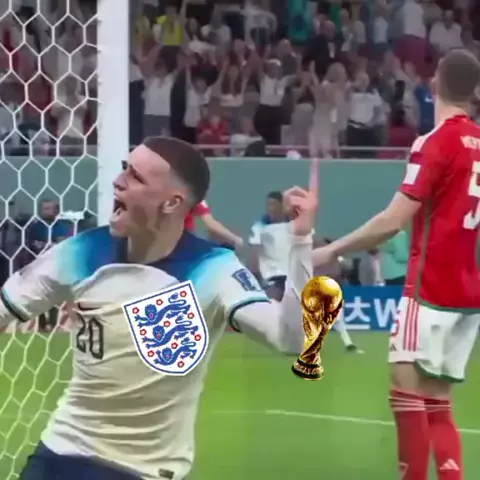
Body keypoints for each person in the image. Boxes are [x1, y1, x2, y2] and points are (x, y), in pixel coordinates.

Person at [1, 136, 318, 480]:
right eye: (124, 169)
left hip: (141, 470)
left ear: (172, 203)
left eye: (135, 177)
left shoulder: (214, 270)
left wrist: (301, 240)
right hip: (60, 452)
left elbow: (291, 340)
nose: (118, 181)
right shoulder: (81, 251)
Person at [312, 49, 480, 480]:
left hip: (428, 290)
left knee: (406, 398)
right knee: (439, 403)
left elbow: (392, 221)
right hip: (466, 296)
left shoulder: (434, 143)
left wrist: (332, 250)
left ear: (435, 84)